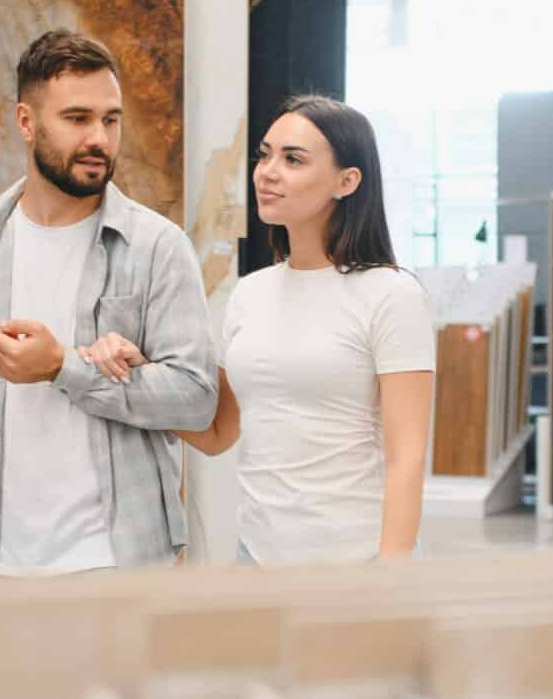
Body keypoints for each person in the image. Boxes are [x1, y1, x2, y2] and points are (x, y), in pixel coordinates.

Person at [0, 31, 216, 576]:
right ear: (26, 122)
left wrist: (62, 367)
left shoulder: (157, 247)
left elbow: (196, 399)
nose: (99, 138)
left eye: (111, 119)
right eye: (77, 118)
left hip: (118, 563)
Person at [92, 95, 434, 564]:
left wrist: (390, 573)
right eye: (265, 155)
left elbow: (407, 458)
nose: (267, 172)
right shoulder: (250, 293)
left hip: (355, 564)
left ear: (348, 181)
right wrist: (138, 372)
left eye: (293, 160)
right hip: (256, 557)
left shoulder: (391, 294)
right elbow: (216, 432)